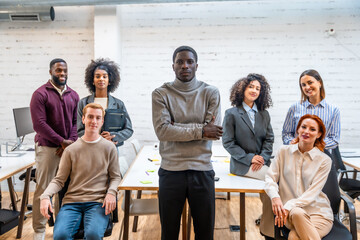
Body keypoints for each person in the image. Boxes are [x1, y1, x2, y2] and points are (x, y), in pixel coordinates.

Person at [152, 46, 223, 240]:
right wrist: (200, 129)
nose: (185, 65)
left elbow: (214, 131)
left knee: (204, 233)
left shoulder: (211, 92)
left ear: (196, 65)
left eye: (189, 62)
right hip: (170, 170)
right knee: (169, 233)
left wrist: (178, 128)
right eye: (180, 62)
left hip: (202, 170)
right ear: (173, 66)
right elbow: (163, 131)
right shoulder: (161, 93)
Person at [40, 103, 121, 240]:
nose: (94, 121)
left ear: (102, 121)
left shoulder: (109, 148)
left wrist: (112, 193)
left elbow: (116, 177)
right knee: (60, 236)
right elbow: (59, 180)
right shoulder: (71, 150)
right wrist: (45, 196)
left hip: (97, 202)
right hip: (72, 203)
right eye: (90, 117)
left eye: (97, 118)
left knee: (93, 235)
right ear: (83, 119)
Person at [30, 58, 79, 240]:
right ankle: (39, 231)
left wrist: (70, 143)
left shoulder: (73, 95)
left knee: (65, 191)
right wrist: (61, 142)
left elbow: (76, 122)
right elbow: (39, 124)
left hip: (68, 149)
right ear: (51, 71)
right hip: (48, 149)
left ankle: (62, 229)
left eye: (65, 71)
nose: (62, 74)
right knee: (44, 190)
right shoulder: (40, 94)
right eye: (58, 71)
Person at [222, 73, 274, 238]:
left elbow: (269, 139)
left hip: (262, 162)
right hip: (242, 164)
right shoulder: (231, 113)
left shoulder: (264, 114)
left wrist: (263, 158)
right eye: (251, 86)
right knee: (274, 179)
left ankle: (269, 218)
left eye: (258, 88)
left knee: (276, 179)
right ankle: (270, 222)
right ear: (242, 88)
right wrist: (249, 158)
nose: (254, 90)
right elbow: (228, 142)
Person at [265, 114, 333, 240]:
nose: (306, 131)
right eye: (303, 127)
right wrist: (275, 197)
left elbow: (313, 193)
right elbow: (270, 178)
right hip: (290, 215)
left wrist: (288, 205)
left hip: (318, 214)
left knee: (294, 237)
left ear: (319, 134)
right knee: (296, 212)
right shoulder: (283, 151)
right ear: (298, 130)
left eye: (312, 129)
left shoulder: (324, 160)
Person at [77, 58, 133, 151]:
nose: (101, 79)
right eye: (97, 76)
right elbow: (79, 130)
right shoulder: (83, 103)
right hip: (89, 149)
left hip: (112, 148)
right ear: (92, 80)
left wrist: (113, 136)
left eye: (104, 76)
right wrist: (98, 138)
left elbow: (128, 130)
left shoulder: (119, 104)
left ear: (109, 80)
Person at [282, 69, 340, 151]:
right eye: (303, 85)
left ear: (319, 83)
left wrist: (311, 146)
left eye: (310, 83)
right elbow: (286, 134)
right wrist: (292, 143)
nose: (307, 87)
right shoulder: (294, 108)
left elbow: (334, 139)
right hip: (297, 155)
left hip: (321, 157)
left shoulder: (333, 110)